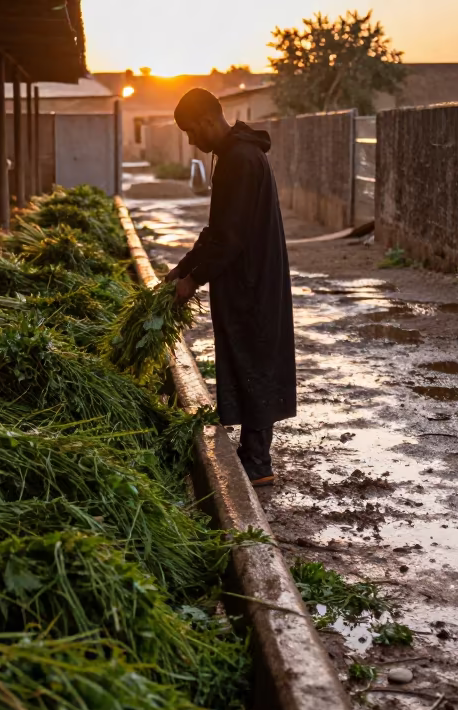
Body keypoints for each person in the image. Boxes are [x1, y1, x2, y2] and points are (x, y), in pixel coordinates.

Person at [164, 88, 296, 487]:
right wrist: (180, 268)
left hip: (250, 278)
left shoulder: (239, 160)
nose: (191, 141)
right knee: (250, 355)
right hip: (249, 274)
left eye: (190, 132)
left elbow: (229, 238)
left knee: (253, 357)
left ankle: (257, 462)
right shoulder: (237, 155)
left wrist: (190, 281)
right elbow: (217, 230)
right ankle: (253, 456)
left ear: (207, 121)